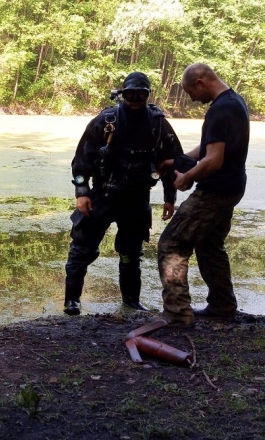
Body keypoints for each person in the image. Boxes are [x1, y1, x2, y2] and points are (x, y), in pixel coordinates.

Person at [64, 72, 183, 315]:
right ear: (122, 93)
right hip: (103, 195)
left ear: (149, 95)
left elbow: (172, 161)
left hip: (136, 199)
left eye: (142, 94)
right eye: (130, 94)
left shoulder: (158, 123)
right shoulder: (107, 120)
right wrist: (82, 192)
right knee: (81, 249)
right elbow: (81, 159)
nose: (136, 98)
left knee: (131, 254)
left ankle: (130, 302)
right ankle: (72, 301)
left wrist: (170, 196)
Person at [156, 63, 250, 327]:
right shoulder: (235, 101)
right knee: (209, 245)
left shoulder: (220, 110)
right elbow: (210, 148)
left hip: (215, 190)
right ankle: (222, 306)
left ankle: (177, 313)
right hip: (233, 186)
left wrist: (187, 176)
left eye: (190, 92)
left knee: (172, 244)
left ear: (200, 82)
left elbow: (214, 160)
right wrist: (181, 159)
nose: (191, 99)